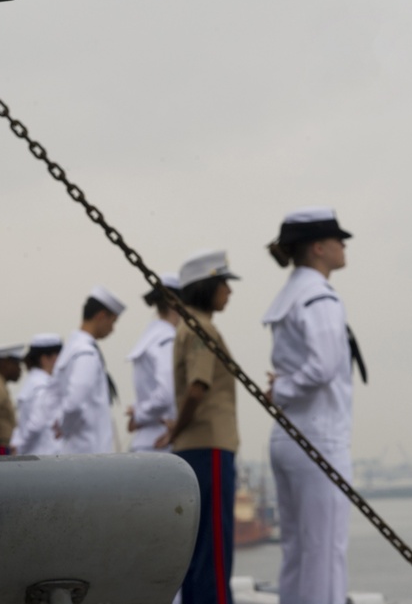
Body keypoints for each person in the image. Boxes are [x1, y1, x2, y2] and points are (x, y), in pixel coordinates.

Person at [263, 208, 365, 604]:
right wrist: (285, 388)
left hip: (290, 437)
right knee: (325, 553)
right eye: (338, 240)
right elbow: (324, 367)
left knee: (298, 552)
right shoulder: (319, 294)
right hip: (319, 438)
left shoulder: (293, 292)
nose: (343, 246)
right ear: (319, 248)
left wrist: (283, 389)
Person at [156, 250, 239, 604]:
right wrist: (176, 430)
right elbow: (197, 387)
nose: (229, 292)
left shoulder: (184, 327)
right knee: (214, 554)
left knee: (196, 551)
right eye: (224, 284)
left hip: (196, 448)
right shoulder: (202, 328)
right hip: (210, 447)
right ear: (208, 287)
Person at [53, 286, 126, 454]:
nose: (112, 329)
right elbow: (74, 403)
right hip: (88, 450)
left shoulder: (72, 348)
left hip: (80, 449)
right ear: (101, 316)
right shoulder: (86, 353)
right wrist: (64, 428)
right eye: (112, 321)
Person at [127, 273, 181, 452]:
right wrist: (139, 415)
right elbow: (165, 394)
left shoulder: (149, 337)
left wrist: (138, 412)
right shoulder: (167, 338)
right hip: (161, 442)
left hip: (145, 440)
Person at [11, 333, 63, 456]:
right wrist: (20, 449)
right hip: (43, 457)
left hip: (34, 457)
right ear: (45, 358)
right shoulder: (43, 386)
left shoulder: (32, 382)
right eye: (58, 356)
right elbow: (36, 424)